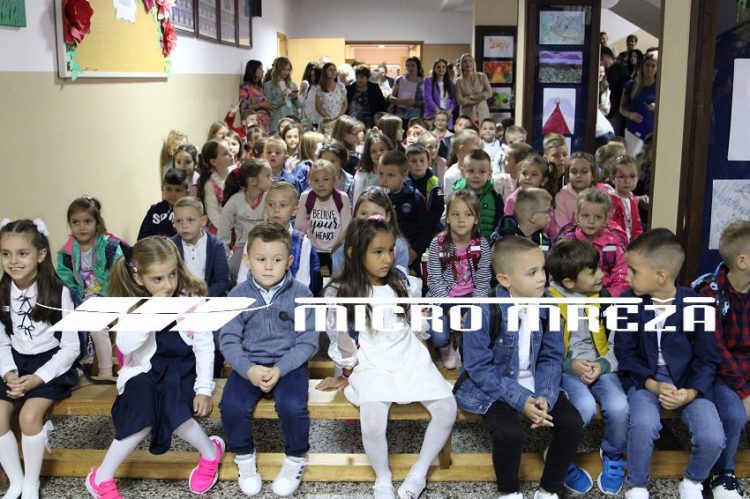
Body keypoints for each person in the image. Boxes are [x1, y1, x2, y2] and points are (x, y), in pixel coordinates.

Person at [320, 216, 457, 499]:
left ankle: (419, 472)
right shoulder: (341, 291)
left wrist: (423, 352)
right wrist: (346, 372)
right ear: (353, 253)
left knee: (447, 408)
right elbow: (343, 339)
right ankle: (383, 478)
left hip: (408, 356)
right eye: (378, 252)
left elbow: (414, 324)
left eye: (391, 249)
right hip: (372, 362)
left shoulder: (402, 281)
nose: (387, 258)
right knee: (372, 420)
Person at [86, 237, 223, 498]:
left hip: (181, 370)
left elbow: (205, 345)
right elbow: (126, 346)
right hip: (144, 369)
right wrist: (151, 314)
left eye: (172, 274)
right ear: (139, 278)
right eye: (158, 279)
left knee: (173, 406)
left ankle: (210, 453)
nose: (168, 285)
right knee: (140, 408)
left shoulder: (191, 299)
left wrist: (204, 389)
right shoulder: (132, 302)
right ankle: (101, 478)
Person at [454, 235, 585, 499]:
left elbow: (551, 356)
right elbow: (479, 367)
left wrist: (545, 396)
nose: (542, 278)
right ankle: (509, 491)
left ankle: (549, 489)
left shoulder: (548, 305)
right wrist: (521, 399)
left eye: (543, 270)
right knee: (510, 432)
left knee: (572, 422)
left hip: (534, 380)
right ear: (505, 280)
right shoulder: (483, 309)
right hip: (491, 385)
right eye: (532, 272)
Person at [615, 229, 725, 499]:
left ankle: (693, 481)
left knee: (712, 437)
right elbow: (625, 353)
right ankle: (637, 485)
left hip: (688, 382)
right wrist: (652, 384)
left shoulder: (696, 305)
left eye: (633, 271)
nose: (627, 276)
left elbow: (707, 357)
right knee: (643, 425)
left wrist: (691, 392)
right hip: (645, 379)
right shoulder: (628, 302)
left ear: (661, 275)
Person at [219, 223, 319, 497]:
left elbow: (308, 342)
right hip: (248, 364)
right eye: (260, 259)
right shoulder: (237, 295)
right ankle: (244, 458)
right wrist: (248, 369)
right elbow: (228, 340)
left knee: (292, 406)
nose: (268, 266)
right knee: (231, 406)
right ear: (247, 260)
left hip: (289, 365)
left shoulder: (302, 294)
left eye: (276, 260)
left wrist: (281, 368)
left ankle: (296, 459)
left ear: (289, 261)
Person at [0, 219, 80, 499]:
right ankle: (16, 482)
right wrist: (8, 372)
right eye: (5, 254)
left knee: (29, 416)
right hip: (13, 362)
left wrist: (38, 378)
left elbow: (71, 347)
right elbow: (1, 341)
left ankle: (31, 484)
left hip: (51, 364)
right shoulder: (2, 292)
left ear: (41, 254)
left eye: (22, 253)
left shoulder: (59, 292)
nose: (13, 261)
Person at [546, 239, 629, 495]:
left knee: (619, 405)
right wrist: (569, 365)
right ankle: (561, 454)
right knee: (582, 406)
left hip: (602, 364)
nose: (602, 275)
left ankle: (613, 453)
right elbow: (543, 351)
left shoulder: (603, 298)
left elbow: (618, 339)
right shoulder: (548, 302)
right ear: (569, 282)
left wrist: (604, 364)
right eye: (593, 272)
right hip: (566, 369)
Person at [695, 221, 750, 498]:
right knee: (734, 414)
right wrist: (745, 391)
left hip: (745, 368)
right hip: (718, 370)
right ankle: (722, 473)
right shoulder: (710, 294)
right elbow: (714, 351)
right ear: (742, 261)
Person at [58, 196, 126, 378]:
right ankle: (77, 365)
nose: (81, 227)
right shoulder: (66, 251)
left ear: (97, 223)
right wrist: (75, 302)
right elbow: (65, 281)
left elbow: (118, 277)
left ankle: (105, 372)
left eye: (87, 221)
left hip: (109, 296)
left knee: (96, 325)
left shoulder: (109, 246)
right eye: (75, 222)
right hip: (81, 299)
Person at [426, 190, 492, 368]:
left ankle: (463, 343)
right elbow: (434, 281)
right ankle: (446, 346)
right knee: (438, 336)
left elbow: (483, 282)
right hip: (443, 298)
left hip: (471, 298)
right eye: (455, 214)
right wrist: (450, 308)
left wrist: (472, 308)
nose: (461, 220)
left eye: (468, 214)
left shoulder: (481, 245)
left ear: (476, 218)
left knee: (478, 324)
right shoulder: (438, 244)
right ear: (447, 218)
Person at [237, 182, 322, 295]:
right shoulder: (254, 238)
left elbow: (303, 282)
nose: (276, 209)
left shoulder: (302, 243)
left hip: (290, 300)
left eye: (282, 205)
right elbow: (242, 277)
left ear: (294, 210)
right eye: (271, 204)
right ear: (266, 207)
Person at [559, 188, 629, 297]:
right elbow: (557, 274)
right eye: (586, 215)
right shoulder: (567, 242)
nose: (591, 221)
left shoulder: (613, 245)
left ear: (606, 219)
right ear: (577, 215)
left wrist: (608, 297)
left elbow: (622, 278)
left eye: (598, 217)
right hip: (572, 296)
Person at [330, 186, 409, 276]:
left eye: (376, 215)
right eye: (363, 214)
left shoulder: (400, 247)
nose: (369, 219)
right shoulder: (342, 249)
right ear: (355, 215)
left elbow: (401, 279)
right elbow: (339, 281)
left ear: (388, 217)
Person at [378, 151, 433, 271]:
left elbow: (426, 229)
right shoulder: (376, 198)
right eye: (381, 174)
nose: (384, 180)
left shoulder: (415, 197)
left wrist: (415, 251)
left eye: (390, 175)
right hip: (382, 250)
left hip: (412, 251)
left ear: (403, 176)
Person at [219, 159, 272, 282]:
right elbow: (223, 234)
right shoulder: (235, 202)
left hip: (266, 247)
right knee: (229, 275)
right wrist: (224, 260)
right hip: (242, 249)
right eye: (268, 176)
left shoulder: (270, 199)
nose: (272, 180)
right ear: (253, 181)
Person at [295, 159, 352, 269]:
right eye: (316, 180)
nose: (321, 184)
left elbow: (347, 229)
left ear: (335, 180)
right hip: (313, 251)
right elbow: (299, 228)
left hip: (335, 251)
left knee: (335, 278)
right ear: (310, 181)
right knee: (315, 278)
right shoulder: (306, 197)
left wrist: (344, 250)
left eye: (326, 179)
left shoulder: (342, 198)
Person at [451, 149, 504, 240]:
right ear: (463, 172)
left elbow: (500, 222)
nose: (476, 176)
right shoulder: (457, 195)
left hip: (489, 243)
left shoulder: (495, 196)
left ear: (490, 174)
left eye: (482, 172)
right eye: (471, 171)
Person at [620, 55, 658, 156]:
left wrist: (657, 107)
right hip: (633, 131)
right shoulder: (631, 85)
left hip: (652, 133)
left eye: (653, 66)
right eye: (647, 65)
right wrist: (630, 115)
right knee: (633, 160)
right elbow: (621, 107)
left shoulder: (660, 87)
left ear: (657, 68)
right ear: (642, 66)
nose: (650, 68)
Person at [197, 140, 235, 235]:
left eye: (230, 150)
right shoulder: (210, 184)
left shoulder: (239, 174)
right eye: (225, 154)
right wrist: (227, 228)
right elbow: (213, 212)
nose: (231, 154)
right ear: (214, 162)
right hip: (222, 231)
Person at [138, 168, 189, 240]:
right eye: (168, 189)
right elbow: (142, 238)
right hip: (153, 246)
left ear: (187, 193)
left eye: (178, 190)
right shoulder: (154, 210)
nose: (173, 194)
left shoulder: (190, 212)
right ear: (162, 189)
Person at [554, 152, 595, 235]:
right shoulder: (561, 196)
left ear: (593, 176)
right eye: (574, 172)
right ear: (568, 176)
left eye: (584, 172)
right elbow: (561, 228)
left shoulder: (600, 194)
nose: (578, 175)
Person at [607, 155, 644, 242]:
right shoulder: (609, 200)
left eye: (632, 176)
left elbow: (637, 226)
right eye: (621, 177)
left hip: (630, 243)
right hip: (614, 242)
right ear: (613, 178)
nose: (627, 181)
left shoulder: (632, 199)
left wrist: (638, 241)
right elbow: (609, 225)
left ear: (638, 178)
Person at [352, 132, 394, 204]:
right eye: (373, 151)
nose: (378, 153)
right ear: (368, 154)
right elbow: (356, 199)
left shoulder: (395, 171)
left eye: (382, 149)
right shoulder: (362, 173)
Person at [263, 57, 299, 133]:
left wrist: (295, 97)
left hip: (292, 121)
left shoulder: (292, 84)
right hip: (277, 122)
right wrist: (282, 97)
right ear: (277, 69)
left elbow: (299, 105)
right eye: (283, 69)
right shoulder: (268, 85)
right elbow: (270, 106)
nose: (286, 72)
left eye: (288, 69)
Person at [443, 129, 481, 200]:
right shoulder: (451, 175)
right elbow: (450, 202)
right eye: (476, 144)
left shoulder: (482, 169)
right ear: (462, 149)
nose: (480, 147)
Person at [601, 47, 630, 137]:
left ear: (607, 56)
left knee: (613, 137)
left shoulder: (621, 70)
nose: (601, 61)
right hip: (605, 110)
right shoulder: (604, 71)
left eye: (602, 58)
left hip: (616, 111)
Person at [346, 65, 388, 129]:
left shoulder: (374, 88)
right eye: (357, 77)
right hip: (352, 121)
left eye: (362, 77)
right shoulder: (349, 88)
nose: (359, 80)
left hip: (370, 122)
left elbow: (382, 105)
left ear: (368, 78)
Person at [455, 53, 492, 124]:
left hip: (482, 112)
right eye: (465, 61)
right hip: (467, 113)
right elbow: (460, 101)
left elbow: (489, 93)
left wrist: (470, 97)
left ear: (474, 63)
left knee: (483, 129)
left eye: (470, 61)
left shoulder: (482, 76)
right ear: (461, 65)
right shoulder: (458, 81)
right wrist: (480, 98)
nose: (468, 63)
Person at [240, 60, 273, 134]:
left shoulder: (259, 87)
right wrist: (261, 105)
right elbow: (243, 108)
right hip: (255, 125)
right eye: (260, 69)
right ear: (253, 70)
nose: (263, 71)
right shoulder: (246, 87)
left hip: (266, 123)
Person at [389, 57, 425, 126]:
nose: (410, 68)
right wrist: (403, 102)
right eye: (408, 66)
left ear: (418, 67)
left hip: (416, 116)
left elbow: (426, 102)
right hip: (400, 115)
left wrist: (415, 103)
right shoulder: (400, 79)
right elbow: (391, 98)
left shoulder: (424, 82)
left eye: (413, 66)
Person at [423, 58, 456, 125]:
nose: (441, 69)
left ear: (446, 69)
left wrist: (449, 111)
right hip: (432, 115)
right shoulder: (428, 81)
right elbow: (427, 99)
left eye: (443, 67)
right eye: (438, 67)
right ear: (434, 69)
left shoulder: (451, 83)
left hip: (447, 116)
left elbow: (454, 100)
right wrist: (438, 112)